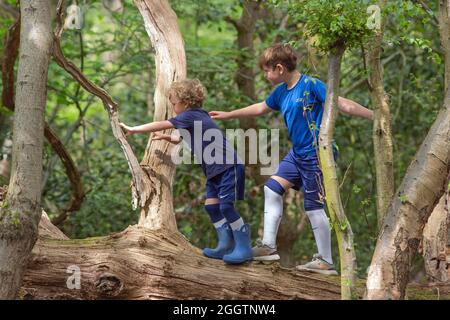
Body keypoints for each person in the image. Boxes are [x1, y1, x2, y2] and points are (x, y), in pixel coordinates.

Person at [209, 44, 373, 275]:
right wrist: (229, 114)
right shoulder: (281, 91)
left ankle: (326, 261)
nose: (266, 76)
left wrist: (374, 115)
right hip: (298, 154)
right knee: (272, 188)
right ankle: (268, 246)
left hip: (317, 153)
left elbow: (341, 103)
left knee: (313, 206)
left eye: (267, 71)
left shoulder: (310, 85)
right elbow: (260, 108)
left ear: (279, 68)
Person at [119, 79, 253, 264]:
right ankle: (226, 244)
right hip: (215, 170)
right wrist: (166, 137)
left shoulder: (190, 116)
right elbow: (177, 138)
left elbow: (162, 123)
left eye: (174, 103)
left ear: (186, 102)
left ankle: (244, 246)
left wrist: (134, 129)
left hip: (228, 166)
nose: (173, 107)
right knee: (212, 207)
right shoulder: (196, 117)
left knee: (226, 207)